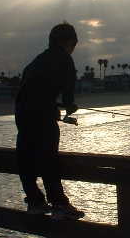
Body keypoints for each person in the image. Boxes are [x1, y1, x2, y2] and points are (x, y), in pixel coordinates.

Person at [15, 22, 85, 220]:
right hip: (41, 116)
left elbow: (31, 92)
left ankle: (35, 202)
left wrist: (52, 108)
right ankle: (59, 204)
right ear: (69, 42)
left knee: (26, 158)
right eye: (73, 46)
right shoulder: (65, 60)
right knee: (49, 159)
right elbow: (68, 96)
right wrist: (69, 106)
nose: (73, 50)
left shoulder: (36, 62)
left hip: (21, 114)